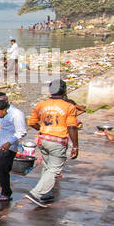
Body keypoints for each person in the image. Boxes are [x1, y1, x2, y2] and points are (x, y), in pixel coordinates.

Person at [25, 79, 80, 208]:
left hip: (43, 139)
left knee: (47, 166)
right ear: (64, 90)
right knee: (54, 169)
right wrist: (75, 146)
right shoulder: (69, 106)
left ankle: (45, 193)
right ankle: (37, 193)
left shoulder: (41, 105)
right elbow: (72, 127)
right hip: (58, 141)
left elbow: (32, 122)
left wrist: (43, 131)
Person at [0, 91, 27, 202]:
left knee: (2, 171)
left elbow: (21, 131)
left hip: (7, 147)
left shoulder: (16, 113)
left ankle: (6, 192)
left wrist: (9, 143)